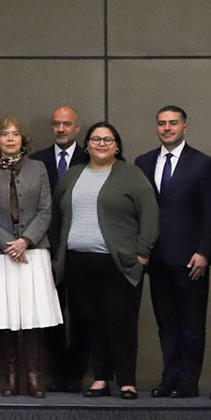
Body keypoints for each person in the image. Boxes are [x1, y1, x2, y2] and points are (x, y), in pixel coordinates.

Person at [53, 122, 158, 399]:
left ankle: (126, 381)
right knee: (90, 323)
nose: (101, 144)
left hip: (118, 263)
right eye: (96, 139)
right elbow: (56, 214)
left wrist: (142, 254)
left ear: (117, 146)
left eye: (107, 140)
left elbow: (150, 215)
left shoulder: (131, 175)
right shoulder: (73, 175)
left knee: (120, 323)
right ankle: (100, 379)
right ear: (86, 145)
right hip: (78, 263)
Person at [0, 117, 62, 398]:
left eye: (15, 134)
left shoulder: (38, 168)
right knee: (5, 314)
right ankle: (11, 377)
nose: (10, 139)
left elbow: (47, 209)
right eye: (4, 135)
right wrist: (7, 244)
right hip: (0, 254)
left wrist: (26, 241)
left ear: (23, 139)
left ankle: (34, 377)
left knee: (33, 315)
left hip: (33, 252)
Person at [134, 106, 211, 398]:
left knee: (191, 324)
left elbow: (209, 212)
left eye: (173, 123)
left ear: (185, 127)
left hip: (192, 259)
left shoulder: (202, 164)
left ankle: (189, 381)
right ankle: (170, 377)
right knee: (166, 323)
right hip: (157, 258)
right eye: (162, 124)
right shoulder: (144, 162)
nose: (167, 128)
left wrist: (205, 251)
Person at [29, 105, 88, 393]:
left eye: (67, 124)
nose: (61, 129)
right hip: (45, 247)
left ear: (77, 127)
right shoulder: (36, 160)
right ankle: (57, 372)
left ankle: (76, 373)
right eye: (56, 124)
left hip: (79, 247)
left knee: (80, 314)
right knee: (50, 315)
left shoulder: (90, 157)